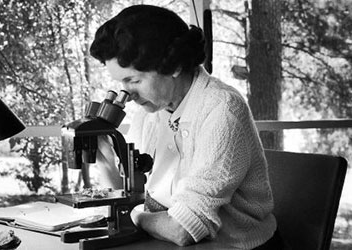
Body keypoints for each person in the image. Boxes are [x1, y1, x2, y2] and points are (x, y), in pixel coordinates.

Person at [89, 5, 284, 249]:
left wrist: (134, 216)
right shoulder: (150, 112)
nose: (128, 94)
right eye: (121, 82)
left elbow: (183, 229)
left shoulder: (222, 109)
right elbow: (130, 195)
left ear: (174, 66)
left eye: (134, 80)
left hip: (236, 246)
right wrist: (104, 155)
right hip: (168, 242)